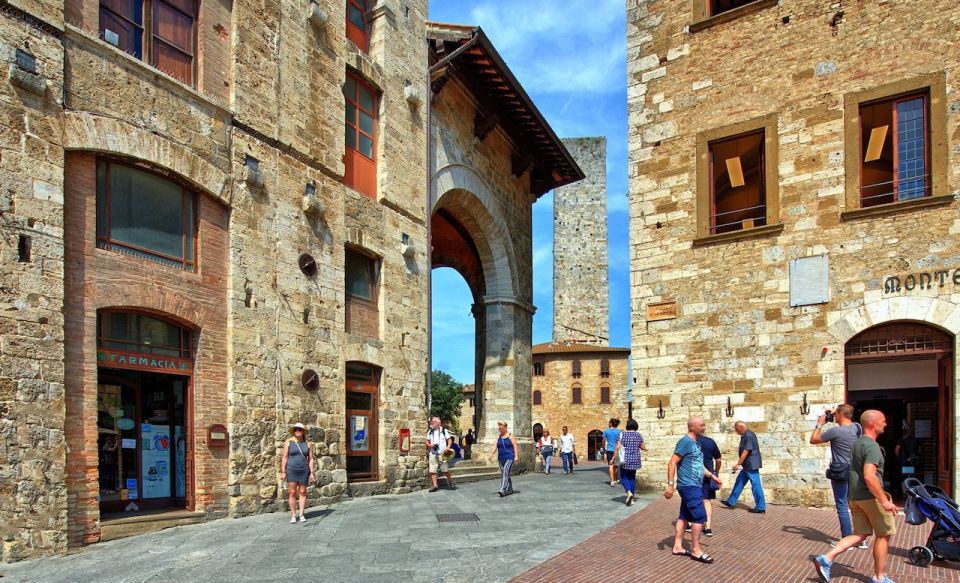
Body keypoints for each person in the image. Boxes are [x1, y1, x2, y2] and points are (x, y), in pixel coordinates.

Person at [813, 410, 898, 583]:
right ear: (873, 424)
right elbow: (869, 475)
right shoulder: (872, 447)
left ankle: (826, 558)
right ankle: (880, 577)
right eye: (883, 421)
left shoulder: (858, 443)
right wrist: (884, 501)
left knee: (860, 534)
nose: (885, 424)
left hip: (855, 497)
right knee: (883, 534)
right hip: (870, 497)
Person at [665, 415, 723, 564]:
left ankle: (677, 546)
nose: (704, 427)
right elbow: (672, 463)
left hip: (694, 485)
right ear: (692, 427)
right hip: (689, 486)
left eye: (704, 425)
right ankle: (696, 550)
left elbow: (698, 465)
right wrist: (670, 484)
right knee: (700, 517)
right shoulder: (685, 442)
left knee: (684, 516)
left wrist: (712, 476)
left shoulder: (696, 443)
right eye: (701, 425)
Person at [810, 404, 867, 547]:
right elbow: (846, 413)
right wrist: (836, 411)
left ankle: (846, 540)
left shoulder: (835, 431)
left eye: (836, 414)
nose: (834, 416)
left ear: (840, 414)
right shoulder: (857, 428)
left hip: (840, 471)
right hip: (855, 471)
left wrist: (819, 424)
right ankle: (861, 539)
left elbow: (813, 439)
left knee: (842, 505)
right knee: (856, 505)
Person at [721, 421, 766, 514]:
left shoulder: (748, 435)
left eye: (737, 429)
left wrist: (738, 464)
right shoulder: (746, 435)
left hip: (751, 464)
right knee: (740, 481)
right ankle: (731, 501)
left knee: (755, 484)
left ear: (741, 427)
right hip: (748, 464)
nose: (736, 431)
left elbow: (746, 451)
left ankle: (761, 506)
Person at [281, 422, 315, 524]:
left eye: (299, 429)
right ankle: (293, 515)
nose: (297, 431)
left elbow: (311, 459)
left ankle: (301, 514)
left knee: (303, 492)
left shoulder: (308, 444)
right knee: (292, 492)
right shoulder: (289, 442)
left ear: (303, 431)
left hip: (304, 470)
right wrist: (283, 472)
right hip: (291, 470)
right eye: (295, 429)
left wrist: (312, 472)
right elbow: (284, 457)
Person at [613, 418, 646, 506]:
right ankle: (631, 499)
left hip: (625, 460)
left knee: (623, 477)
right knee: (632, 478)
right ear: (636, 426)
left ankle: (628, 492)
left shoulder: (622, 434)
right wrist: (646, 449)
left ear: (627, 426)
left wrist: (613, 458)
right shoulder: (639, 435)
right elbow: (642, 446)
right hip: (635, 460)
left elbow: (617, 447)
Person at [696, 427, 722, 536]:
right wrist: (716, 472)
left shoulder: (692, 442)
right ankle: (708, 527)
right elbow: (718, 459)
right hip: (709, 474)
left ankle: (691, 523)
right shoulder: (711, 442)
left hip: (694, 474)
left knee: (693, 499)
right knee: (706, 500)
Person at [487, 421, 519, 496]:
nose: (500, 430)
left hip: (509, 457)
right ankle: (510, 489)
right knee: (506, 474)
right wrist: (491, 453)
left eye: (501, 428)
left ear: (505, 428)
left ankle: (502, 489)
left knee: (505, 472)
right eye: (499, 428)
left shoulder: (510, 436)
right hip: (501, 458)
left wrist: (516, 456)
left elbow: (515, 446)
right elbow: (495, 446)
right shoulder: (499, 437)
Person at [426, 416, 457, 492]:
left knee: (445, 469)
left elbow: (449, 440)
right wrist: (430, 445)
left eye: (433, 422)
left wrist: (448, 447)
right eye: (432, 422)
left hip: (442, 454)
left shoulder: (444, 430)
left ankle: (450, 481)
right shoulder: (430, 431)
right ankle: (435, 486)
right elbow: (426, 441)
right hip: (433, 453)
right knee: (432, 470)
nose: (431, 423)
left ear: (437, 423)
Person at [603, 419, 622, 486]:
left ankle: (612, 481)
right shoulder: (619, 431)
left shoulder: (606, 431)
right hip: (617, 450)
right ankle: (616, 479)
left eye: (609, 423)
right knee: (616, 466)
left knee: (610, 465)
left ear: (611, 423)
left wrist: (604, 448)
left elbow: (604, 441)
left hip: (609, 450)